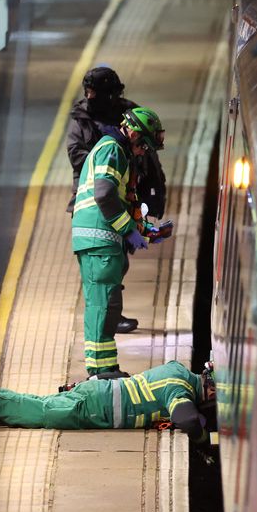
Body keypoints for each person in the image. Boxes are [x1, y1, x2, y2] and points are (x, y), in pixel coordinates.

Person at [65, 66, 168, 335]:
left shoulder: (130, 118)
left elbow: (148, 163)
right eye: (87, 92)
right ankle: (110, 319)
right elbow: (96, 182)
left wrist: (147, 223)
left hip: (119, 199)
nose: (89, 97)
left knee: (116, 264)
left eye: (94, 92)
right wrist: (110, 156)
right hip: (98, 210)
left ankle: (110, 323)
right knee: (108, 270)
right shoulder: (105, 141)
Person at [72, 105, 168, 378]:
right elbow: (103, 195)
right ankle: (100, 371)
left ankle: (106, 367)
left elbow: (124, 201)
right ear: (135, 134)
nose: (144, 152)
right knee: (102, 304)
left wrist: (149, 230)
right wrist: (128, 230)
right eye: (144, 146)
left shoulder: (119, 152)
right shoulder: (112, 150)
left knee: (108, 305)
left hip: (102, 239)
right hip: (97, 238)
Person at [0, 360, 215, 439]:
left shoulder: (177, 369)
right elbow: (185, 419)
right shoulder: (180, 391)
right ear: (211, 391)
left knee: (33, 402)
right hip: (94, 409)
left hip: (96, 393)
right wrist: (202, 434)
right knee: (38, 413)